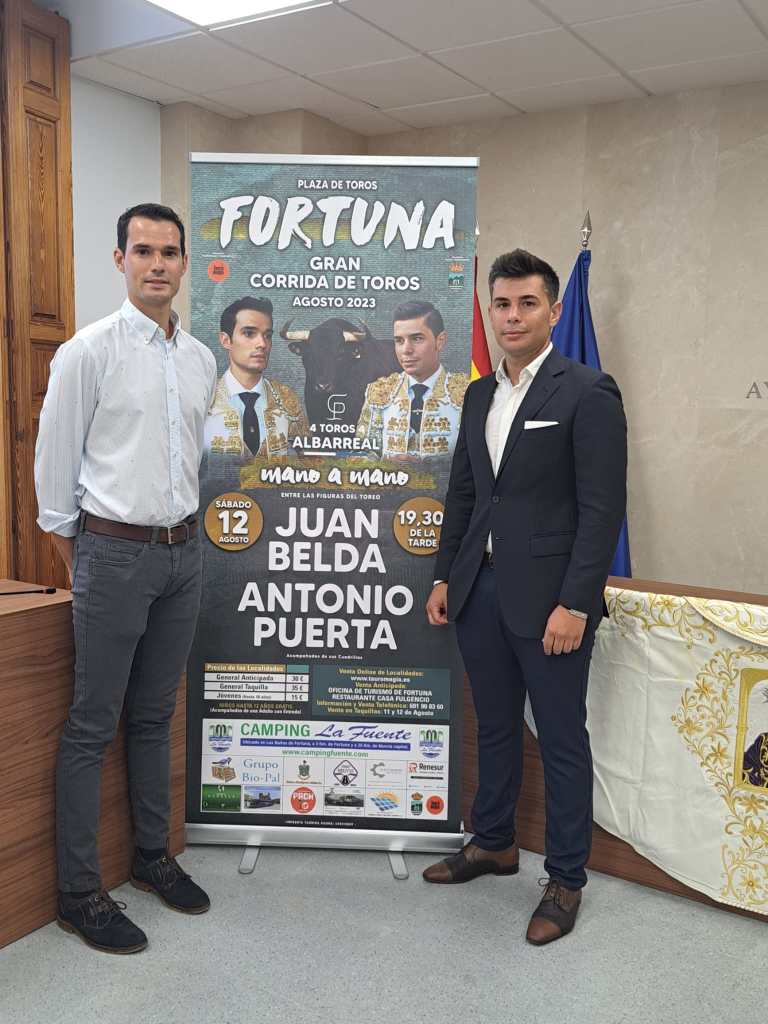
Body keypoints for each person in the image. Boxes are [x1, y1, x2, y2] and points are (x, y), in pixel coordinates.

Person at [423, 249, 627, 945]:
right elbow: (466, 492)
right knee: (496, 726)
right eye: (502, 304)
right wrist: (445, 576)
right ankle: (494, 842)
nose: (512, 317)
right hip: (479, 592)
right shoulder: (478, 394)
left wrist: (577, 603)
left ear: (554, 311)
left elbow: (602, 510)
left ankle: (566, 879)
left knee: (563, 740)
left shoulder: (588, 391)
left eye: (527, 304)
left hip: (551, 606)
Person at [34, 203, 218, 954]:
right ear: (120, 260)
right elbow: (54, 474)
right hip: (112, 553)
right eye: (143, 251)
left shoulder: (200, 359)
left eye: (169, 252)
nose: (157, 264)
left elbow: (191, 459)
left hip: (184, 555)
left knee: (154, 716)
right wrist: (85, 562)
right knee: (92, 723)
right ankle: (80, 894)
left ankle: (151, 858)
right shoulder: (88, 351)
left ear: (184, 262)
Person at [356, 300, 468, 458]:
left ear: (440, 341)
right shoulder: (379, 392)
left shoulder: (467, 393)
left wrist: (427, 467)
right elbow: (361, 455)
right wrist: (388, 467)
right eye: (399, 341)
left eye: (417, 339)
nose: (406, 350)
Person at [204, 296, 307, 459]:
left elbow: (310, 462)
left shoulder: (287, 399)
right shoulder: (205, 397)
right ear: (226, 340)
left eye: (267, 335)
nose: (262, 344)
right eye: (249, 333)